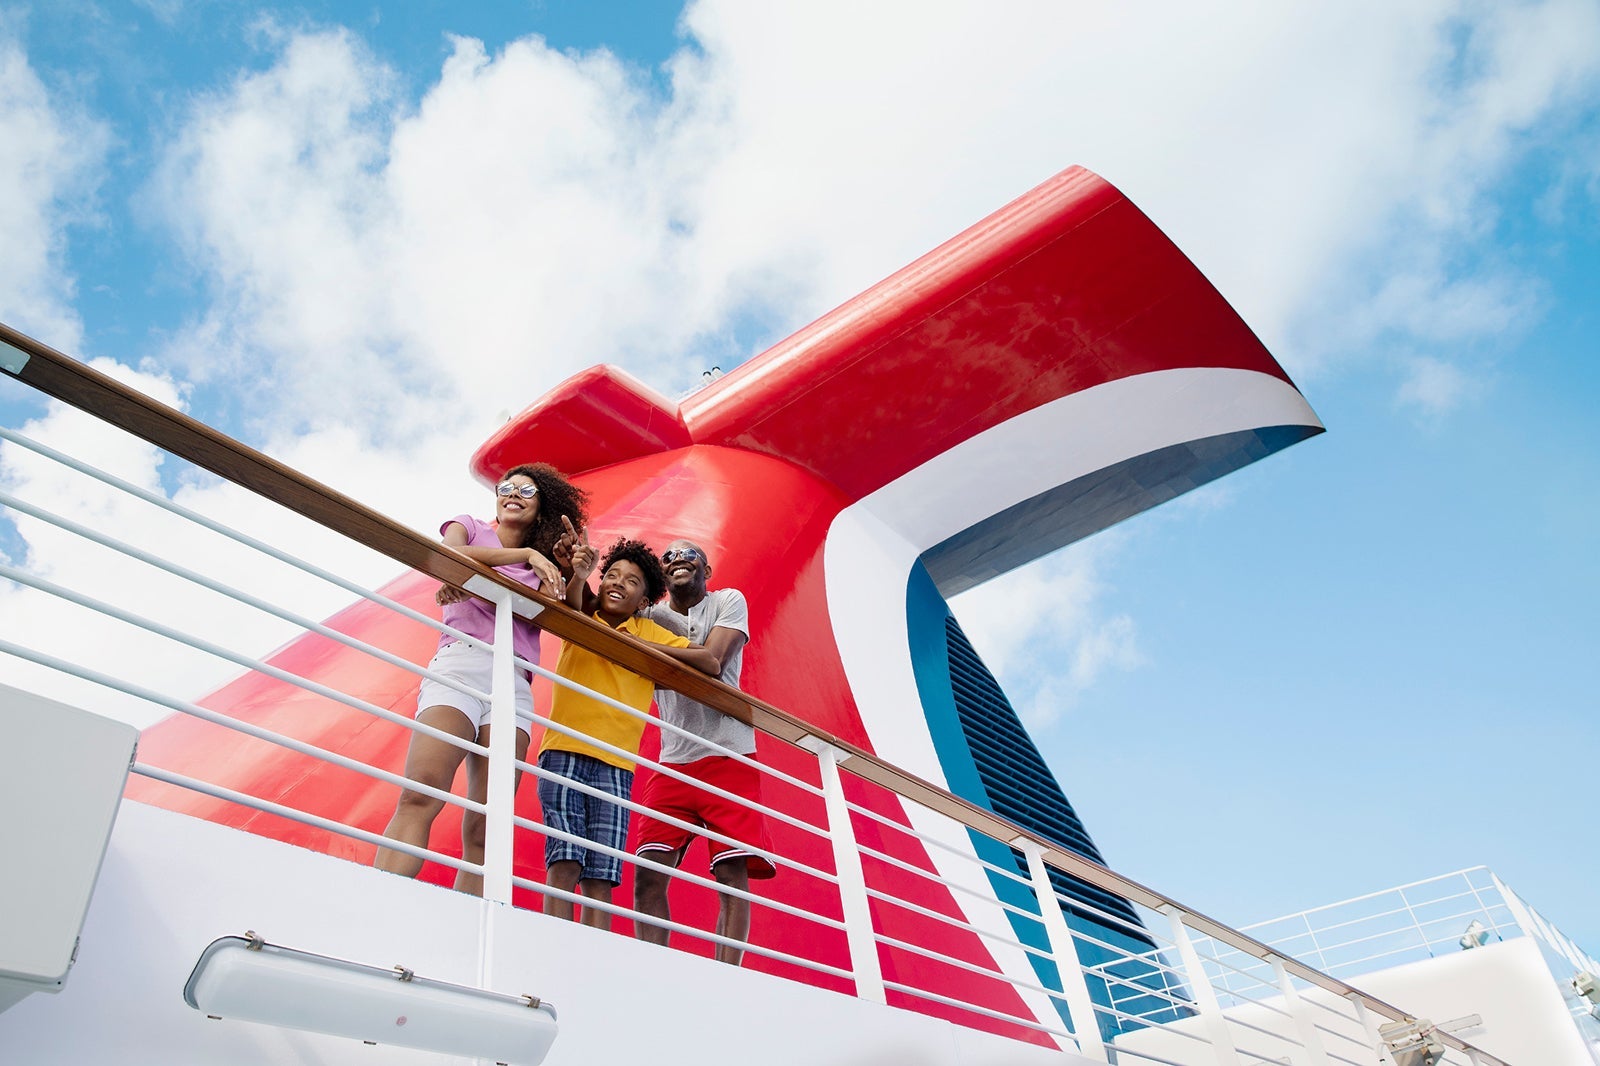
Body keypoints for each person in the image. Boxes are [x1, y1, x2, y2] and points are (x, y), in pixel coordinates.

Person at [373, 463, 588, 895]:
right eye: (507, 486)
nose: (513, 494)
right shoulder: (469, 527)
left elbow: (566, 613)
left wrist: (575, 574)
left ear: (543, 507)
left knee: (486, 825)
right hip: (461, 663)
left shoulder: (545, 569)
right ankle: (379, 904)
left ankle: (466, 927)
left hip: (514, 682)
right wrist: (525, 556)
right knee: (421, 791)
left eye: (527, 491)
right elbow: (451, 555)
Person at [537, 535, 722, 929]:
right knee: (565, 860)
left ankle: (593, 956)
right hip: (564, 751)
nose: (618, 583)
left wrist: (641, 647)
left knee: (601, 876)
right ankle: (554, 948)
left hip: (617, 765)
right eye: (612, 576)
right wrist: (579, 574)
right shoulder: (583, 614)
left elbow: (709, 662)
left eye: (632, 581)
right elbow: (572, 601)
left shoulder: (649, 632)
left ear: (643, 602)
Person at [632, 539, 775, 966]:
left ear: (707, 570)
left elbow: (714, 661)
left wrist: (644, 652)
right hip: (673, 760)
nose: (678, 559)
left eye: (688, 554)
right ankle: (655, 974)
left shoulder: (728, 600)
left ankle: (726, 977)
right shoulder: (650, 614)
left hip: (729, 752)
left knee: (731, 874)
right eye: (669, 557)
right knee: (648, 872)